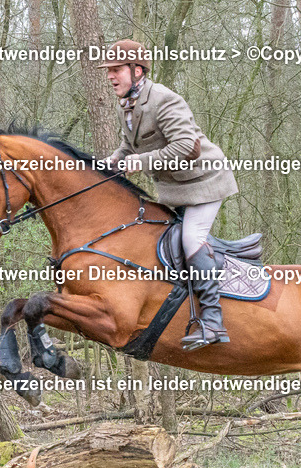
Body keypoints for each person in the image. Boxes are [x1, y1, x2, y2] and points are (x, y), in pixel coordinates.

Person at [99, 39, 239, 350]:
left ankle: (214, 321)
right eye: (108, 71)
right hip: (175, 189)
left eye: (116, 69)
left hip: (204, 182)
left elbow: (186, 147)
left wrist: (141, 161)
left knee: (192, 239)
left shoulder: (164, 100)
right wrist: (114, 159)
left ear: (138, 70)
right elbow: (130, 145)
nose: (110, 76)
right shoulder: (127, 104)